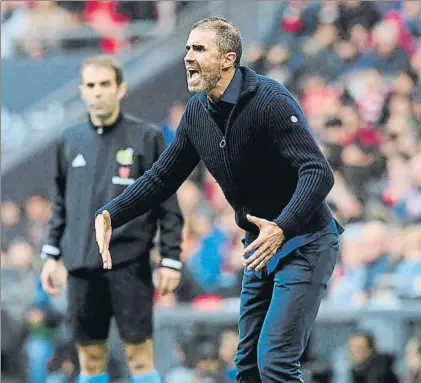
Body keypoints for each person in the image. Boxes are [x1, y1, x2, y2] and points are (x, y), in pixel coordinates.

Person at [95, 17, 344, 383]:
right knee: (246, 369)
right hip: (260, 248)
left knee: (274, 362)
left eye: (199, 49)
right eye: (187, 49)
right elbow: (162, 177)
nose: (188, 57)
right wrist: (111, 213)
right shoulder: (197, 113)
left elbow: (318, 172)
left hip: (306, 243)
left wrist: (282, 227)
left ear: (228, 59)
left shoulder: (269, 100)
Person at [40, 55, 184, 383]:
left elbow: (168, 205)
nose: (98, 92)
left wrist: (170, 260)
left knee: (138, 354)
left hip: (129, 263)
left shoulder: (148, 137)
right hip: (80, 264)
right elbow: (60, 204)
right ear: (81, 91)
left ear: (121, 88)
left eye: (105, 84)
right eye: (90, 86)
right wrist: (51, 255)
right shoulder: (68, 140)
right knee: (90, 358)